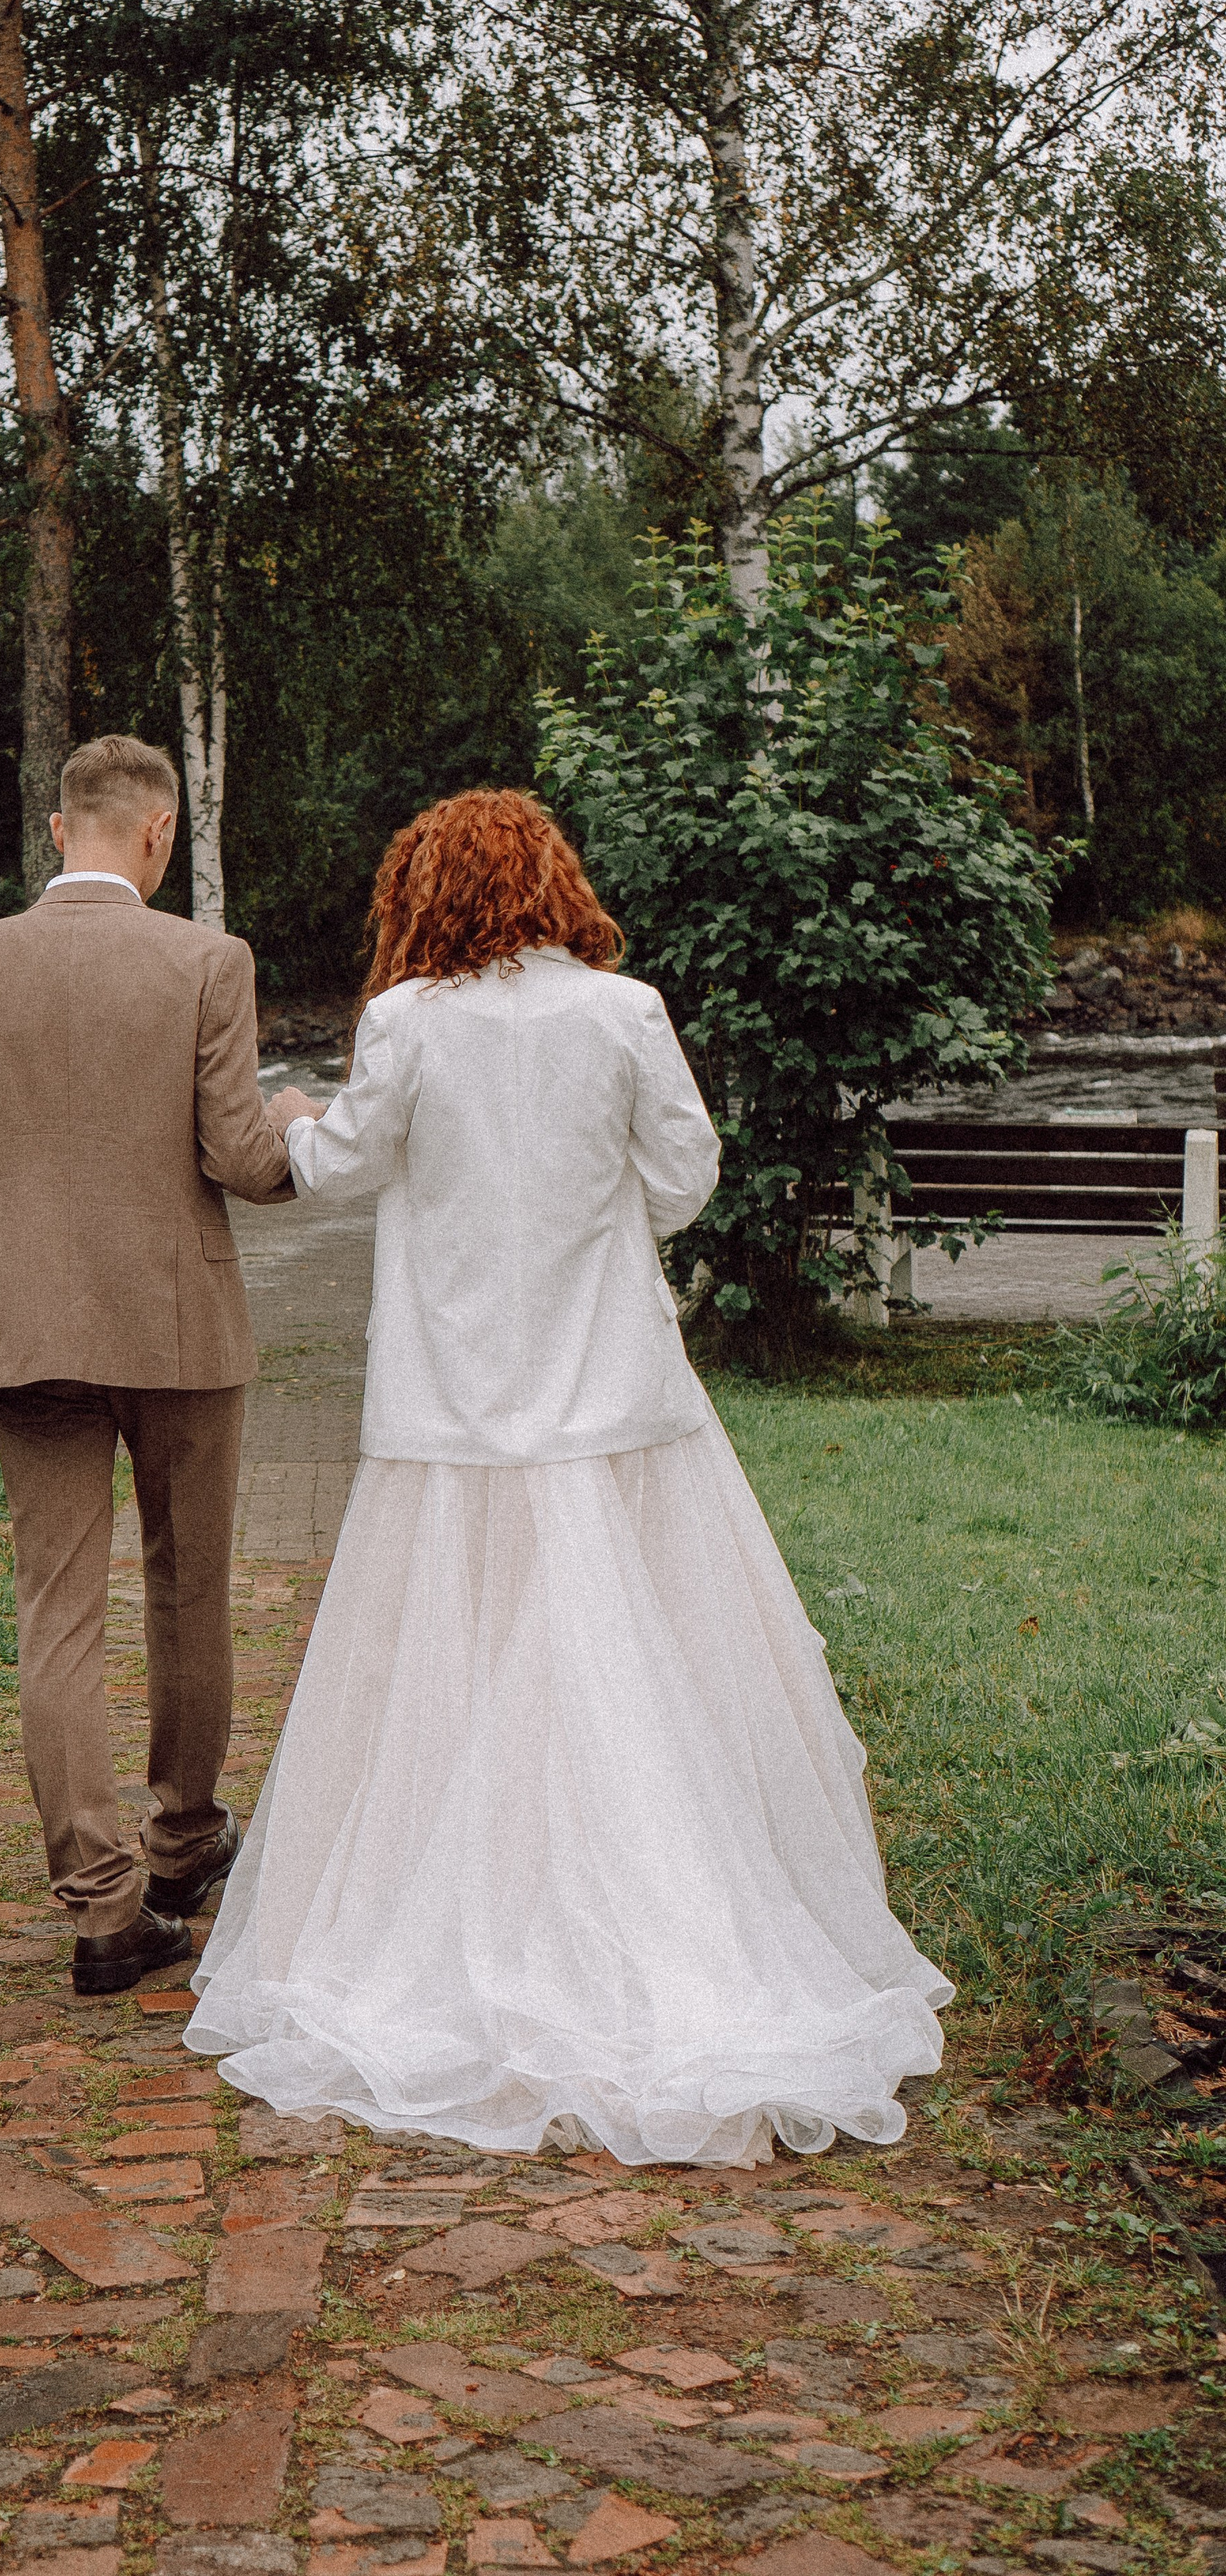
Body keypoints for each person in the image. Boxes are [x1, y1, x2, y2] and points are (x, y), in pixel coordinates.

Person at [188, 788, 951, 2163]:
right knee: (629, 1646)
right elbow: (687, 1176)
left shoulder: (406, 1022)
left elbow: (344, 1168)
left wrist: (292, 1119)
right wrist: (598, 1220)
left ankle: (468, 1899)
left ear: (421, 896)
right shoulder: (624, 1011)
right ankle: (662, 1908)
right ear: (553, 884)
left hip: (453, 1392)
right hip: (608, 1383)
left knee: (459, 1642)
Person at [0, 734, 296, 1997]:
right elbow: (243, 1160)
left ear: (61, 832)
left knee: (55, 1610)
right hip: (180, 1327)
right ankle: (182, 1842)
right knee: (188, 1589)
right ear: (160, 834)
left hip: (28, 1330)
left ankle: (104, 1913)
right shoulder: (208, 963)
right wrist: (298, 1127)